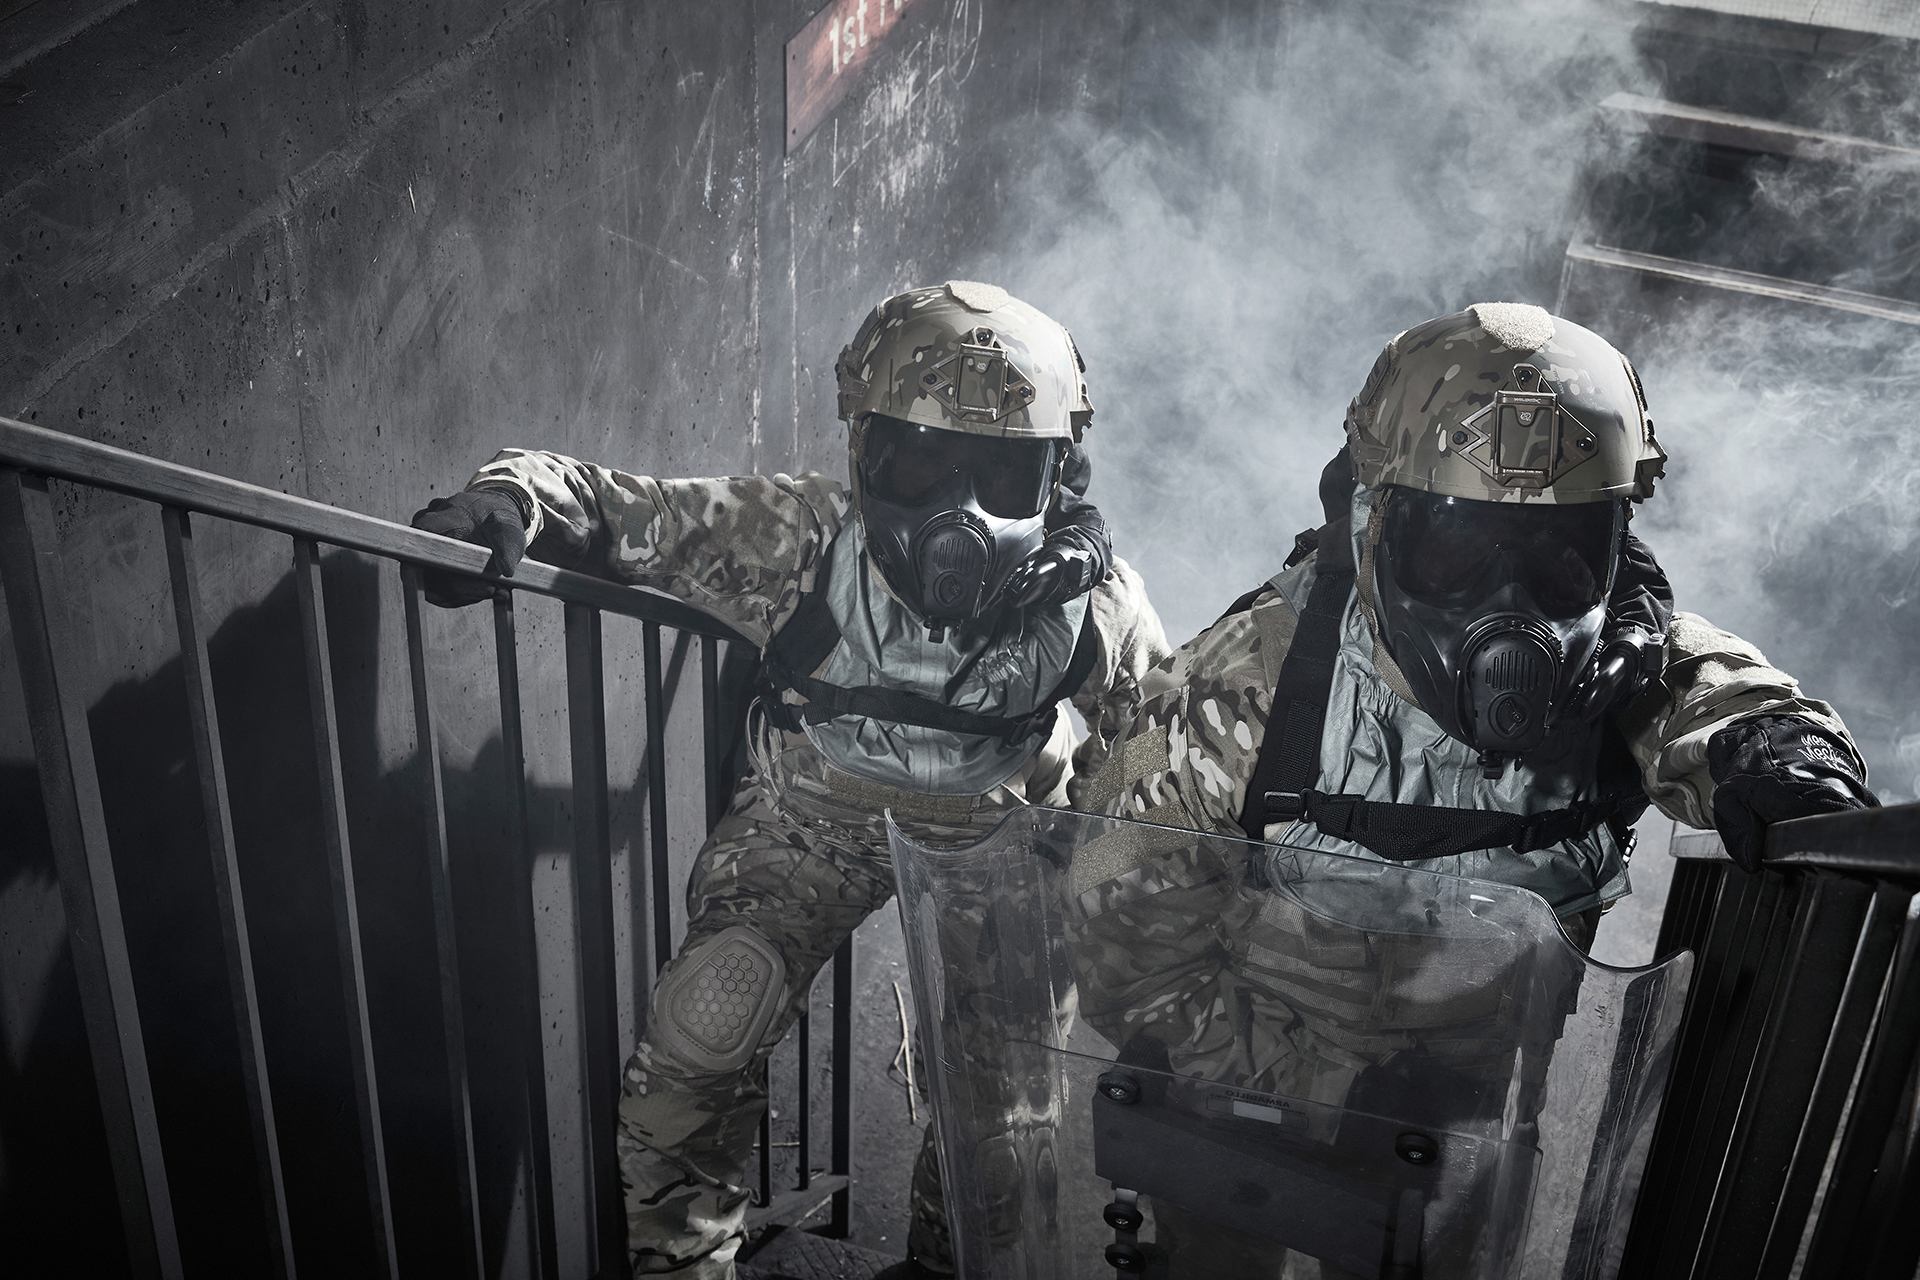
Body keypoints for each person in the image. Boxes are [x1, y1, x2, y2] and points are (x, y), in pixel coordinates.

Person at [1067, 302, 1878, 1276]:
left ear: (1614, 550)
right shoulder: (1240, 682)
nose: (1513, 608)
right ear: (1371, 523)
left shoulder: (1626, 664)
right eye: (1458, 549)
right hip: (1242, 1098)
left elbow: (1734, 703)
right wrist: (1327, 1085)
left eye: (1559, 554)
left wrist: (1789, 767)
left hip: (1464, 1125)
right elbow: (1111, 913)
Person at [410, 280, 1170, 1279]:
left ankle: (956, 1264)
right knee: (700, 1040)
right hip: (813, 810)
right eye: (923, 461)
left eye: (996, 469)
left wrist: (1101, 874)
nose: (959, 511)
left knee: (1007, 1106)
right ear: (865, 452)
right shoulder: (808, 534)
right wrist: (504, 505)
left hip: (1001, 829)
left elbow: (1155, 737)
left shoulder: (1092, 602)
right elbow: (610, 501)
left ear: (1056, 478)